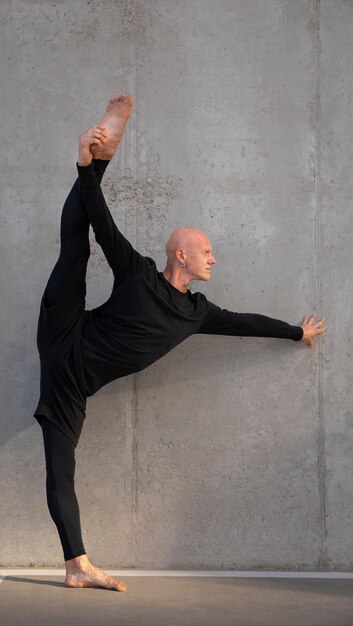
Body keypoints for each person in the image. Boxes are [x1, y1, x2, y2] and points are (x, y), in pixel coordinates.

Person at [33, 94, 327, 592]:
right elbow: (103, 223)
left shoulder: (198, 313)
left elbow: (246, 323)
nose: (213, 259)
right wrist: (88, 174)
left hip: (73, 383)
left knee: (62, 470)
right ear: (181, 255)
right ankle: (91, 160)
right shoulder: (138, 274)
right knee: (76, 249)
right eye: (206, 252)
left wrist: (296, 332)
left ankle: (75, 564)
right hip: (65, 330)